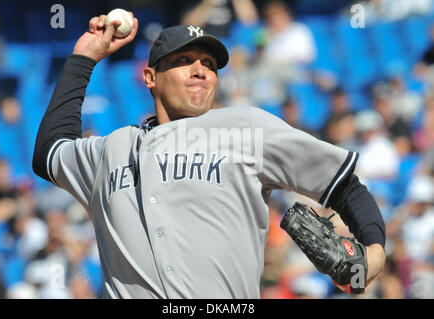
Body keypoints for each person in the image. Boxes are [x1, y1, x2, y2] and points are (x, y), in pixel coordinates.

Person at [32, 12, 386, 298]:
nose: (200, 69)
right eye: (184, 60)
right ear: (150, 77)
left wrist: (373, 255)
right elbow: (49, 150)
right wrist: (85, 56)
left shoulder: (246, 126)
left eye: (209, 63)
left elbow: (345, 186)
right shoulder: (112, 149)